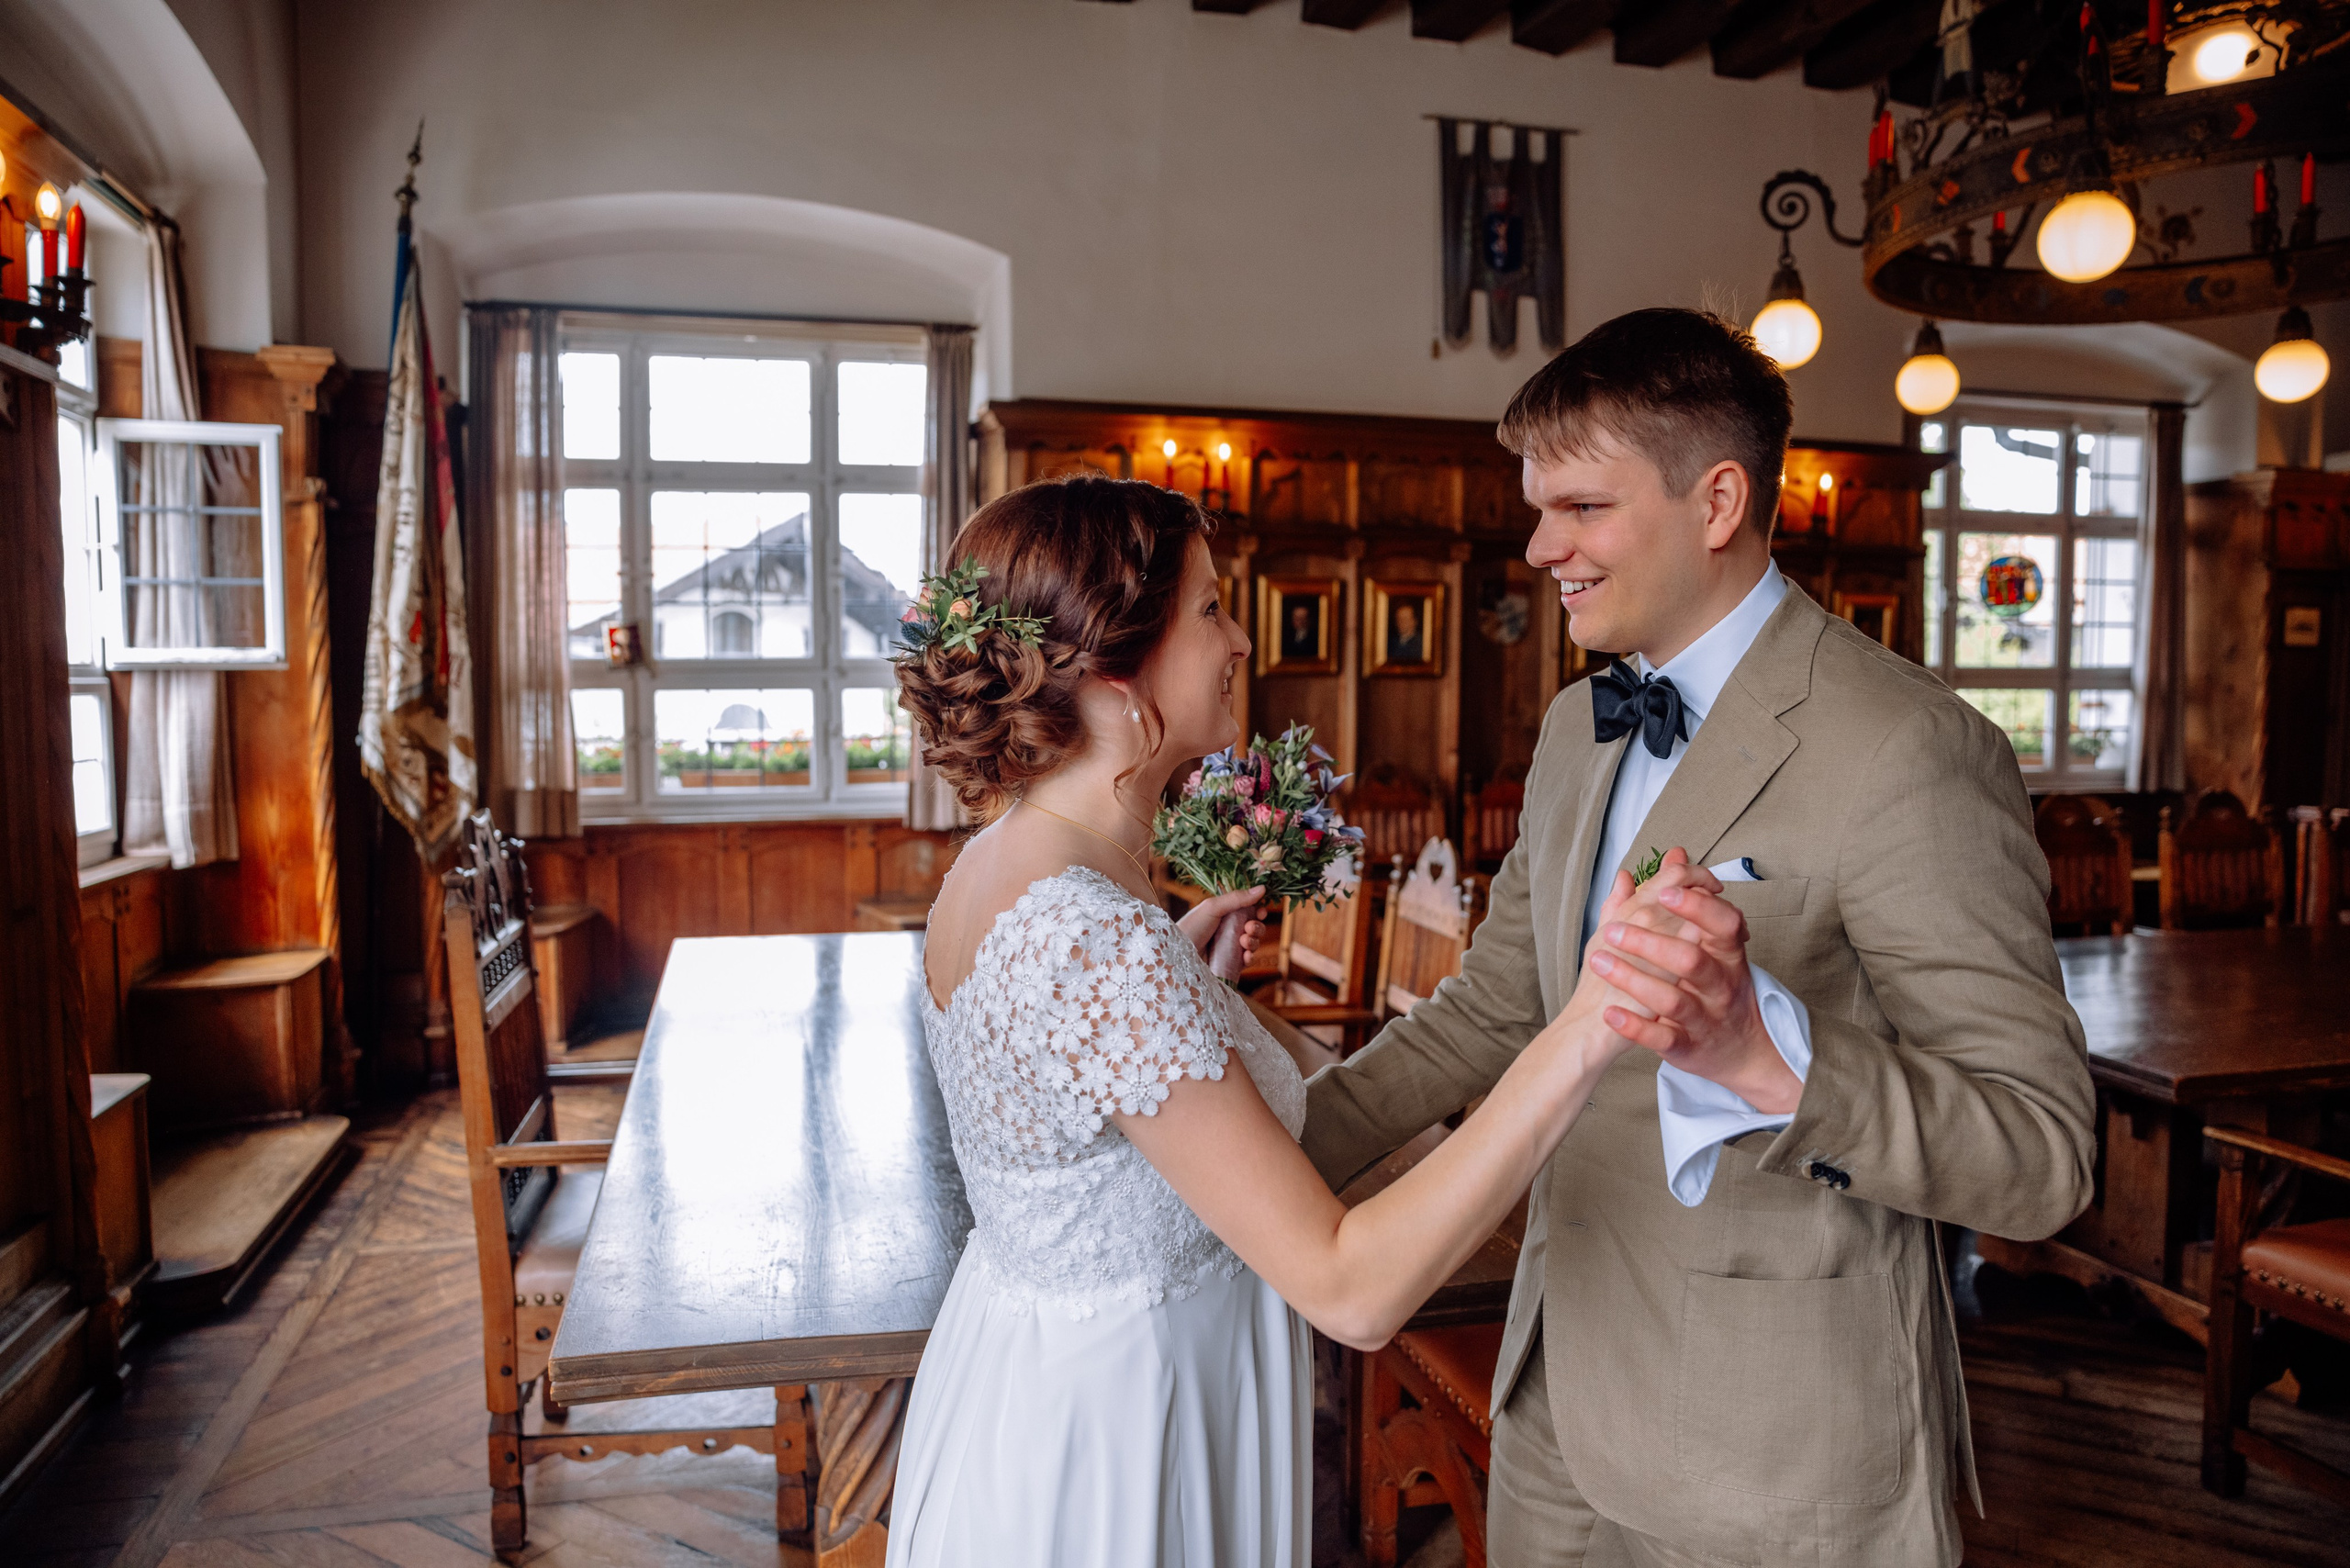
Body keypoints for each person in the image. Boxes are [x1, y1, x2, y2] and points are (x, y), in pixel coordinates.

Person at [1301, 308, 2098, 1567]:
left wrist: (1772, 1063)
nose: (1537, 545)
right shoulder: (1578, 726)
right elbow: (1500, 1006)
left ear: (1717, 499)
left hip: (1774, 1452)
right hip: (1553, 1392)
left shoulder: (1912, 751)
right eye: (1537, 507)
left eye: (1578, 509)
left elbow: (2042, 1159)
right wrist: (1279, 1158)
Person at [885, 476, 1665, 1567]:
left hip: (1044, 1377)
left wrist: (1180, 985)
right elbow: (1351, 1289)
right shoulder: (1091, 934)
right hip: (1123, 1433)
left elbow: (1089, 1102)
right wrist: (1592, 1020)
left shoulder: (1010, 865)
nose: (1240, 638)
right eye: (1210, 609)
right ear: (1116, 665)